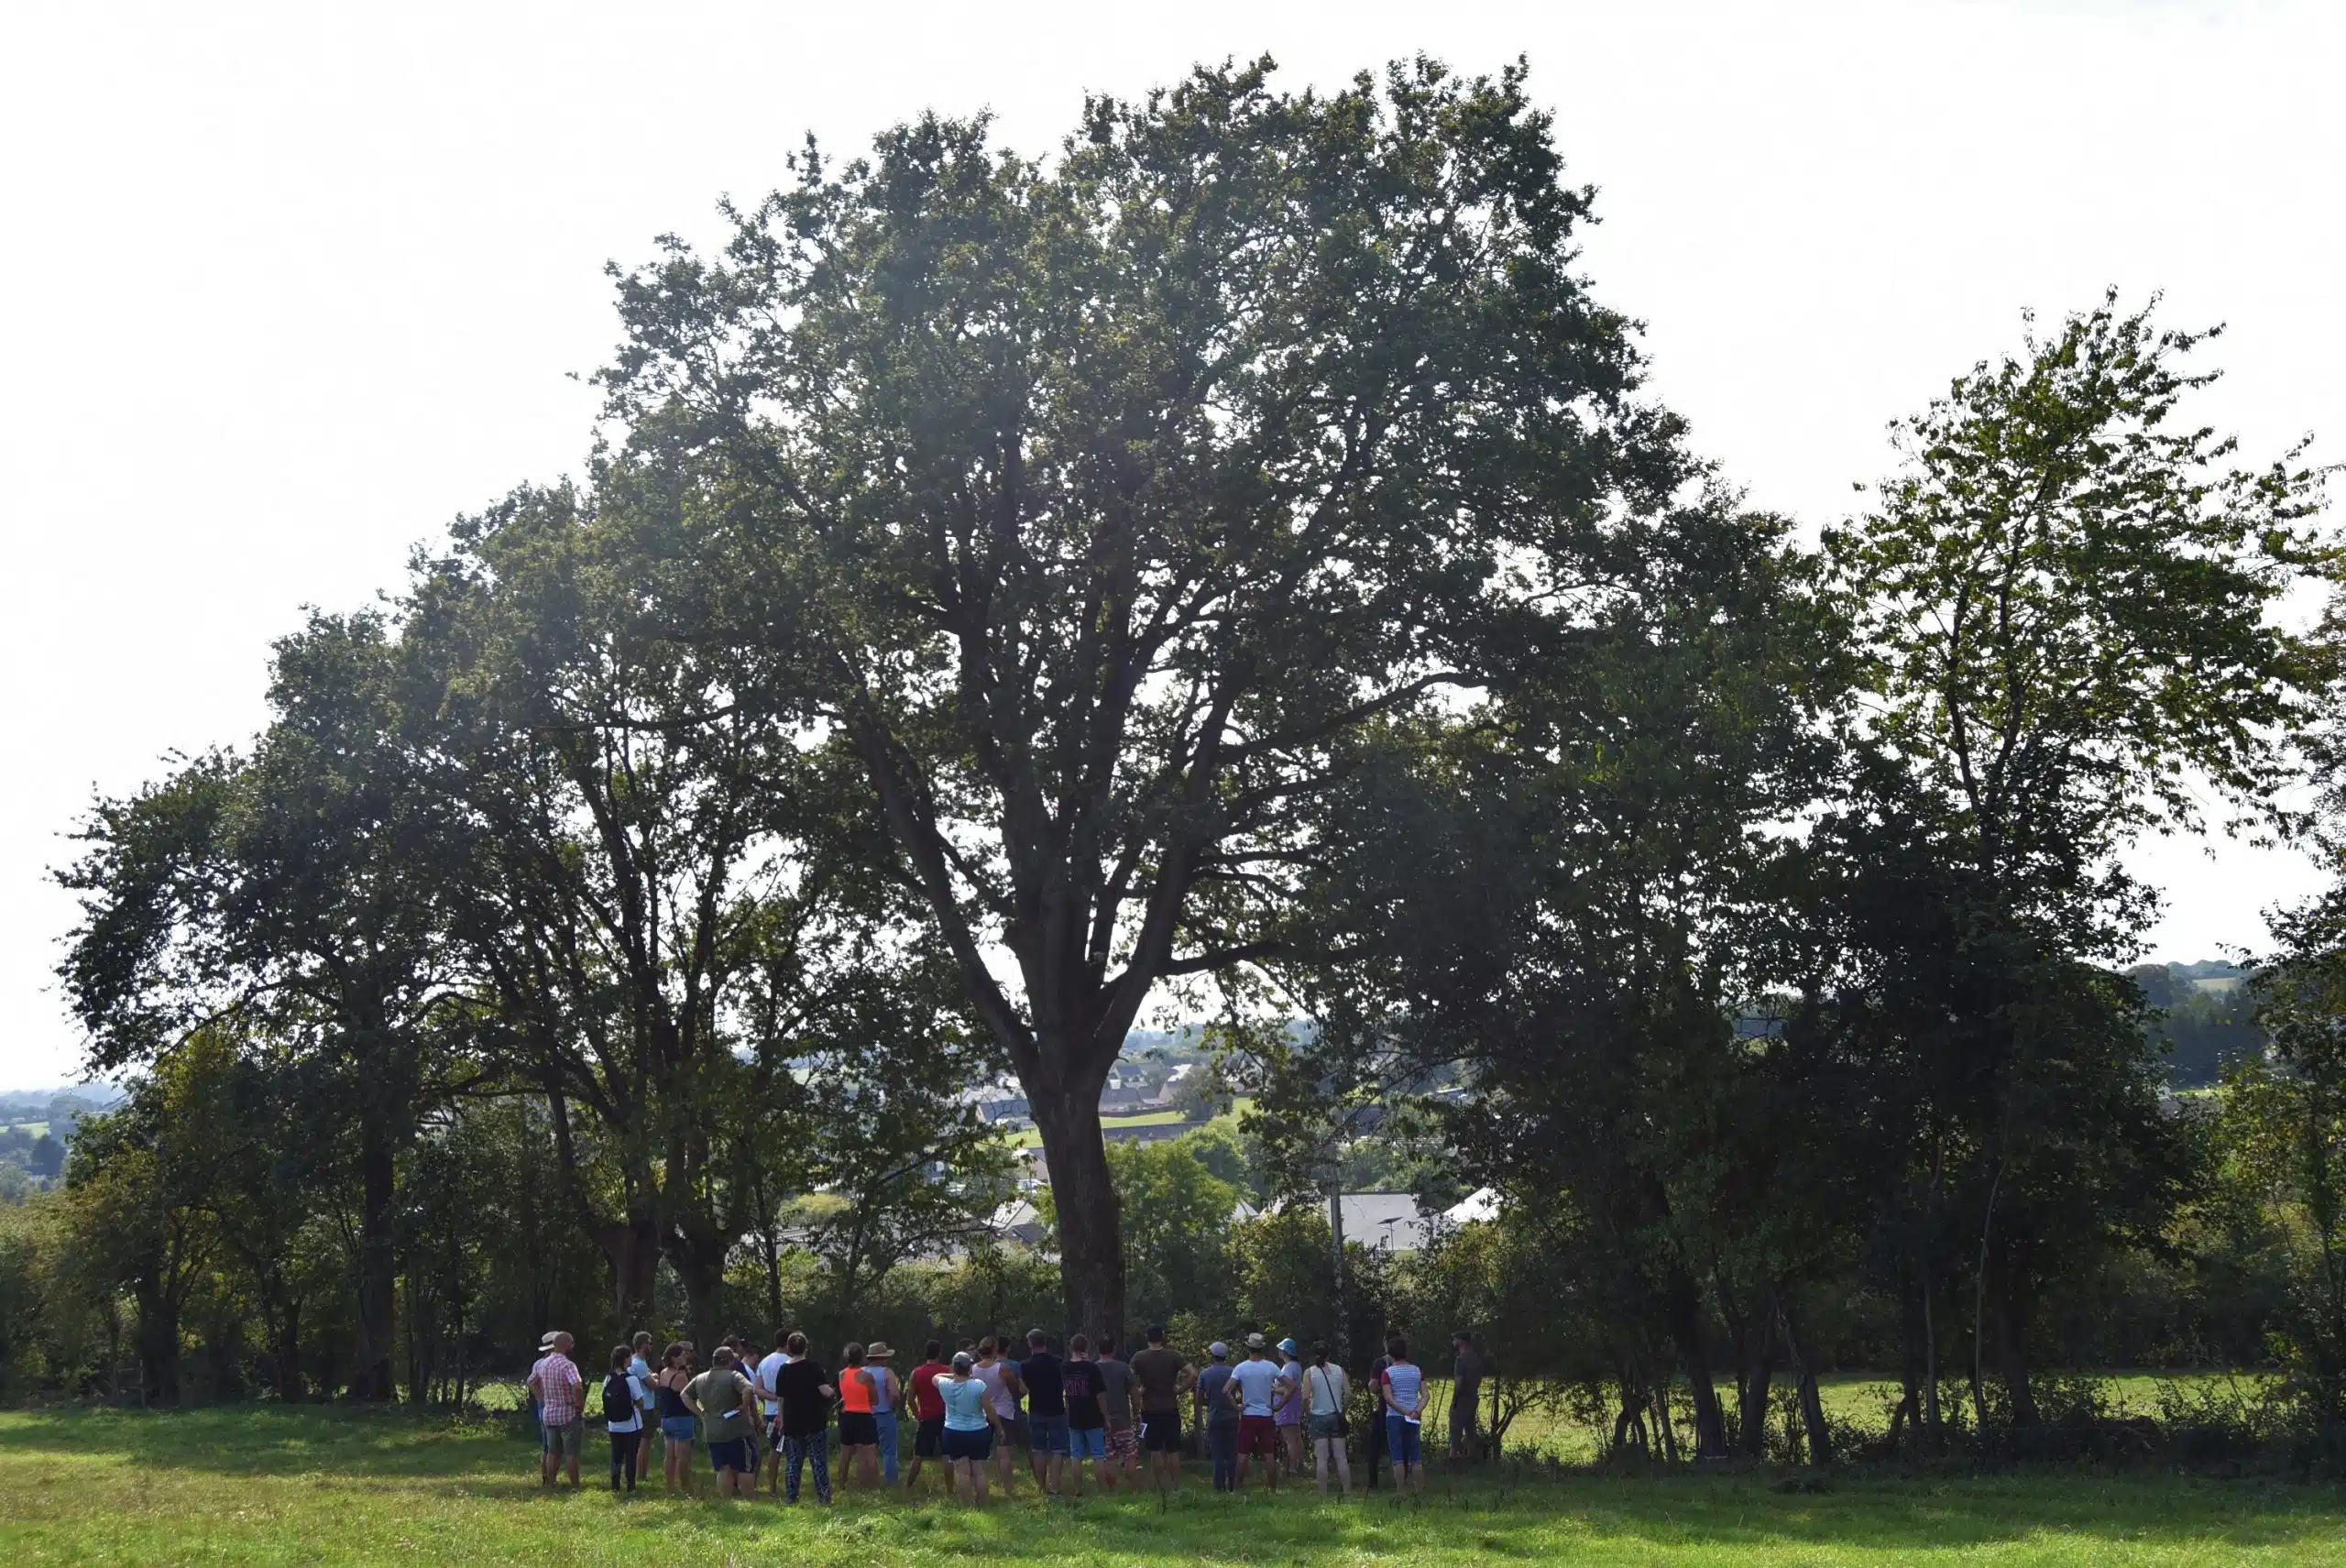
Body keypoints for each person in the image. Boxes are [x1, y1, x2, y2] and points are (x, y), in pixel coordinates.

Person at [683, 1345, 760, 1499]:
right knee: (746, 1466)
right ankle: (749, 1501)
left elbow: (684, 1395)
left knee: (723, 1468)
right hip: (737, 1430)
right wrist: (744, 1406)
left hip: (712, 1431)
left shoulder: (700, 1378)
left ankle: (726, 1501)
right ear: (730, 1361)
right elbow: (749, 1389)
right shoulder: (734, 1376)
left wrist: (699, 1412)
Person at [773, 1332, 837, 1505]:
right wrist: (832, 1391)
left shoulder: (784, 1370)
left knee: (793, 1461)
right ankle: (824, 1497)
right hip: (814, 1420)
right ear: (806, 1347)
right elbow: (825, 1391)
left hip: (793, 1421)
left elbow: (780, 1398)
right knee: (818, 1461)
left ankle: (791, 1497)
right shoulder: (814, 1367)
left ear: (789, 1348)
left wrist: (782, 1419)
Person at [1129, 1324, 1193, 1495]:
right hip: (1170, 1408)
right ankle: (1176, 1486)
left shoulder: (1139, 1357)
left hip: (1149, 1410)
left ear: (1147, 1337)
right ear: (1162, 1337)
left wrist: (1138, 1390)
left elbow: (1128, 1377)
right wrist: (1180, 1389)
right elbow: (1193, 1374)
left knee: (1155, 1449)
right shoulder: (1173, 1356)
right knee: (1173, 1450)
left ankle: (1160, 1487)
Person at [937, 1350, 1003, 1508]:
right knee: (978, 1470)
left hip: (953, 1431)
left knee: (962, 1471)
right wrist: (1000, 1427)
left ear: (954, 1367)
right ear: (970, 1368)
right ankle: (984, 1503)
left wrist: (953, 1375)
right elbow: (990, 1410)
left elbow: (936, 1376)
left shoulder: (945, 1385)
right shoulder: (979, 1385)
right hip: (978, 1431)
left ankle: (968, 1506)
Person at [527, 1330, 586, 1489]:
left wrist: (542, 1398)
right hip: (567, 1413)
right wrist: (579, 1406)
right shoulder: (568, 1365)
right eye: (571, 1342)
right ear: (565, 1344)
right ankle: (575, 1486)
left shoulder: (542, 1364)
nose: (573, 1345)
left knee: (552, 1452)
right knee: (571, 1453)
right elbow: (577, 1387)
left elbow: (531, 1381)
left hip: (550, 1413)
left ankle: (550, 1483)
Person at [1228, 1333, 1284, 1492]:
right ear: (1262, 1348)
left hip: (1248, 1415)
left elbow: (1226, 1389)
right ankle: (1273, 1489)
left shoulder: (1241, 1368)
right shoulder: (1271, 1366)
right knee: (1269, 1454)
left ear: (1248, 1348)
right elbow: (1292, 1386)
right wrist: (1279, 1406)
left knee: (1243, 1453)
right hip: (1266, 1415)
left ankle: (1236, 1489)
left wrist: (1237, 1407)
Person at [972, 1337, 1025, 1497]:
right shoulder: (1003, 1369)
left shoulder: (973, 1369)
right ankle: (1009, 1490)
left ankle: (981, 1488)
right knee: (1004, 1454)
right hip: (1004, 1412)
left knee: (979, 1455)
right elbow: (1016, 1389)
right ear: (995, 1350)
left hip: (982, 1413)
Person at [1376, 1335, 1427, 1494]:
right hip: (1414, 1416)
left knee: (1397, 1456)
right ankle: (1419, 1490)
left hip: (1395, 1417)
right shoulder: (1417, 1370)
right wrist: (1416, 1411)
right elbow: (1426, 1395)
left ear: (1390, 1354)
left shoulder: (1387, 1373)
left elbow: (1388, 1398)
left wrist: (1405, 1412)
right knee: (1416, 1456)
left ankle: (1401, 1491)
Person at [902, 1341, 953, 1496]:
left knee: (918, 1456)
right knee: (947, 1455)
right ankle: (951, 1490)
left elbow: (910, 1400)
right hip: (945, 1417)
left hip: (926, 1418)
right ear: (939, 1353)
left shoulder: (916, 1373)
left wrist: (918, 1416)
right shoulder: (946, 1371)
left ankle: (907, 1487)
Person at [1020, 1328, 1067, 1495]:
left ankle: (1041, 1486)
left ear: (1030, 1344)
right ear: (1045, 1342)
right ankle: (1055, 1486)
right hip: (1057, 1409)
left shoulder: (1025, 1366)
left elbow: (1023, 1389)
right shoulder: (1059, 1362)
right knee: (1058, 1449)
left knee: (1038, 1449)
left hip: (1036, 1409)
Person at [1061, 1333, 1108, 1495]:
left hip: (1074, 1414)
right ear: (1086, 1348)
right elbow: (1100, 1395)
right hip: (1093, 1414)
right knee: (1098, 1454)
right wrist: (1106, 1416)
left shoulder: (1065, 1367)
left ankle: (1078, 1489)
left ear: (1070, 1348)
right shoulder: (1092, 1368)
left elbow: (1065, 1393)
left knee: (1076, 1455)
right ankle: (1102, 1489)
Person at [1304, 1341, 1353, 1495]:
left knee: (1322, 1458)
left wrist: (1308, 1412)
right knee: (1341, 1456)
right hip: (1336, 1416)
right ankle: (1347, 1491)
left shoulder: (1310, 1372)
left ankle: (1323, 1494)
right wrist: (1342, 1410)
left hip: (1318, 1416)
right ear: (1329, 1355)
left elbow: (1305, 1397)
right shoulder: (1339, 1370)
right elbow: (1349, 1394)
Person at [754, 1328, 795, 1498]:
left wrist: (773, 1397)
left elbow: (757, 1389)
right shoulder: (791, 1362)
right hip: (791, 1411)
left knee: (774, 1450)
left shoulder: (764, 1362)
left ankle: (772, 1488)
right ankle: (792, 1485)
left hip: (771, 1412)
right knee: (793, 1450)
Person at [1094, 1332, 1137, 1491]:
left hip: (1100, 1420)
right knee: (1130, 1454)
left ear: (1098, 1348)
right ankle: (1133, 1488)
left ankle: (1112, 1490)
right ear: (1114, 1348)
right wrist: (1137, 1412)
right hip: (1123, 1418)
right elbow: (1134, 1393)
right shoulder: (1124, 1368)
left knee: (1108, 1456)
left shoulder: (1094, 1369)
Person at [600, 1344, 645, 1493]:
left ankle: (615, 1485)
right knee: (631, 1456)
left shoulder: (607, 1379)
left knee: (616, 1455)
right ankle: (631, 1487)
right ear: (626, 1359)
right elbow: (640, 1401)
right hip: (631, 1424)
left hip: (613, 1424)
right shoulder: (631, 1379)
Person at [838, 1343, 882, 1490]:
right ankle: (870, 1485)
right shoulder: (866, 1376)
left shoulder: (842, 1374)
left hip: (847, 1416)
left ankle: (842, 1484)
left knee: (845, 1454)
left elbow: (844, 1394)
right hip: (864, 1416)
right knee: (868, 1453)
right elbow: (875, 1399)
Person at [1195, 1341, 1239, 1492]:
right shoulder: (1234, 1372)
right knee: (1232, 1454)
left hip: (1214, 1417)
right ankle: (1233, 1486)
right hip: (1232, 1417)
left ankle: (1218, 1488)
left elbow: (1199, 1399)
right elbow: (1241, 1394)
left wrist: (1211, 1402)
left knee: (1217, 1456)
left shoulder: (1205, 1374)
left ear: (1212, 1356)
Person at [655, 1343, 697, 1495]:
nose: (685, 1357)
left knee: (669, 1455)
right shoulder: (681, 1376)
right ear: (674, 1358)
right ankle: (685, 1487)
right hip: (682, 1418)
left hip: (666, 1418)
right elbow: (689, 1395)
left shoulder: (663, 1373)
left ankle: (670, 1486)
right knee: (682, 1457)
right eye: (681, 1355)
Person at [866, 1341, 904, 1485]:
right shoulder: (886, 1372)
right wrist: (895, 1404)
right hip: (884, 1414)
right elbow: (893, 1394)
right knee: (889, 1451)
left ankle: (870, 1480)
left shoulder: (862, 1372)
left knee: (869, 1451)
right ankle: (891, 1481)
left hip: (866, 1416)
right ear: (882, 1357)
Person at [1450, 1330, 1487, 1464]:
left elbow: (1459, 1382)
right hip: (1473, 1397)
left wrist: (1455, 1399)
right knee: (1470, 1430)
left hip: (1462, 1398)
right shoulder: (1476, 1359)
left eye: (1455, 1339)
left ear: (1461, 1342)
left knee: (1455, 1430)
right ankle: (1472, 1459)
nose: (1453, 1342)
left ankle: (1453, 1458)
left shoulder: (1460, 1360)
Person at [1275, 1337, 1308, 1476]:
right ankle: (1299, 1465)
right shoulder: (1296, 1366)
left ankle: (1292, 1468)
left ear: (1285, 1352)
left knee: (1289, 1438)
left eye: (1280, 1349)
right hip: (1294, 1404)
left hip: (1287, 1404)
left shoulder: (1289, 1368)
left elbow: (1288, 1389)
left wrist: (1273, 1388)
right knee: (1296, 1436)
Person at [629, 1332, 659, 1480]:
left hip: (641, 1407)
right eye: (649, 1343)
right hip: (645, 1408)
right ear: (642, 1345)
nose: (651, 1346)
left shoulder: (636, 1362)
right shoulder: (640, 1365)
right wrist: (656, 1378)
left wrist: (652, 1376)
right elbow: (653, 1384)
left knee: (640, 1442)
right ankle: (641, 1475)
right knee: (644, 1443)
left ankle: (638, 1473)